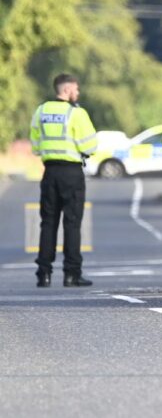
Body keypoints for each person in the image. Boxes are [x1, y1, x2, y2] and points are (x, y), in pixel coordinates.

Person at [30, 73, 98, 287]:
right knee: (72, 223)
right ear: (67, 90)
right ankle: (71, 274)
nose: (77, 94)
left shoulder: (40, 111)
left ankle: (44, 274)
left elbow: (35, 145)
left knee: (48, 223)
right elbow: (90, 146)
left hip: (49, 172)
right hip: (71, 173)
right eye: (76, 90)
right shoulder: (76, 113)